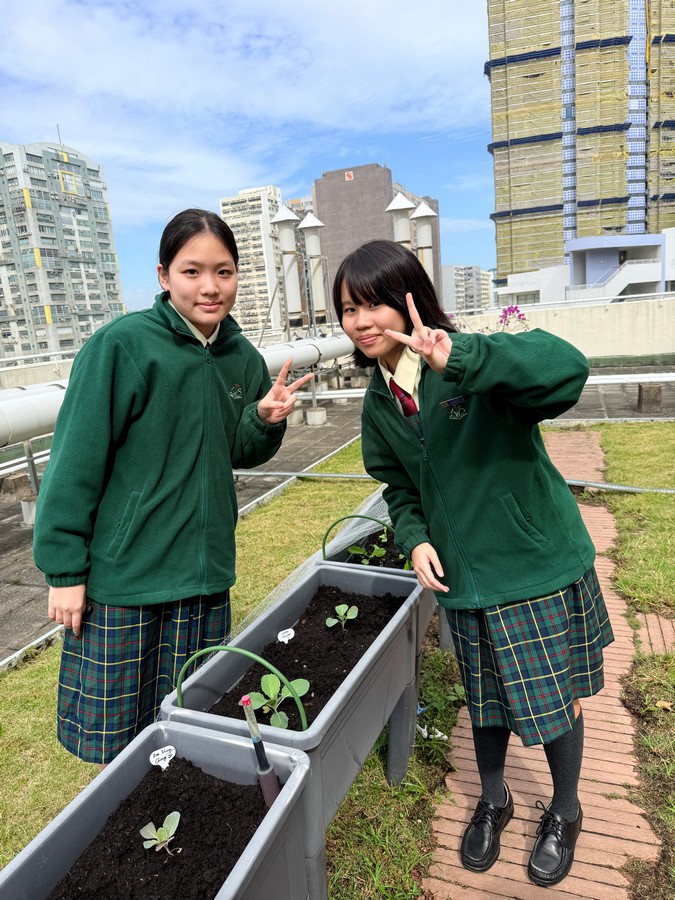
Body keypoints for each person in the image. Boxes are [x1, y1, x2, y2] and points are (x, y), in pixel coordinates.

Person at [332, 239, 614, 887]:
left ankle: (565, 810)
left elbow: (566, 370)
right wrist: (414, 538)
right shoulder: (378, 402)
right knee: (485, 701)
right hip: (463, 580)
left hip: (531, 565)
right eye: (348, 309)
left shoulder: (466, 361)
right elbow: (397, 486)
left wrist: (460, 358)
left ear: (411, 301)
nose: (362, 321)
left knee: (552, 700)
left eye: (375, 303)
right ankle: (494, 799)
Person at [33, 208, 313, 767]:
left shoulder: (241, 357)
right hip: (126, 579)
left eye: (224, 271)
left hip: (204, 575)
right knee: (116, 741)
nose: (210, 287)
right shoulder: (122, 346)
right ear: (164, 276)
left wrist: (263, 419)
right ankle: (115, 814)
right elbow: (74, 464)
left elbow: (237, 450)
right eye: (192, 271)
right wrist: (64, 572)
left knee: (190, 724)